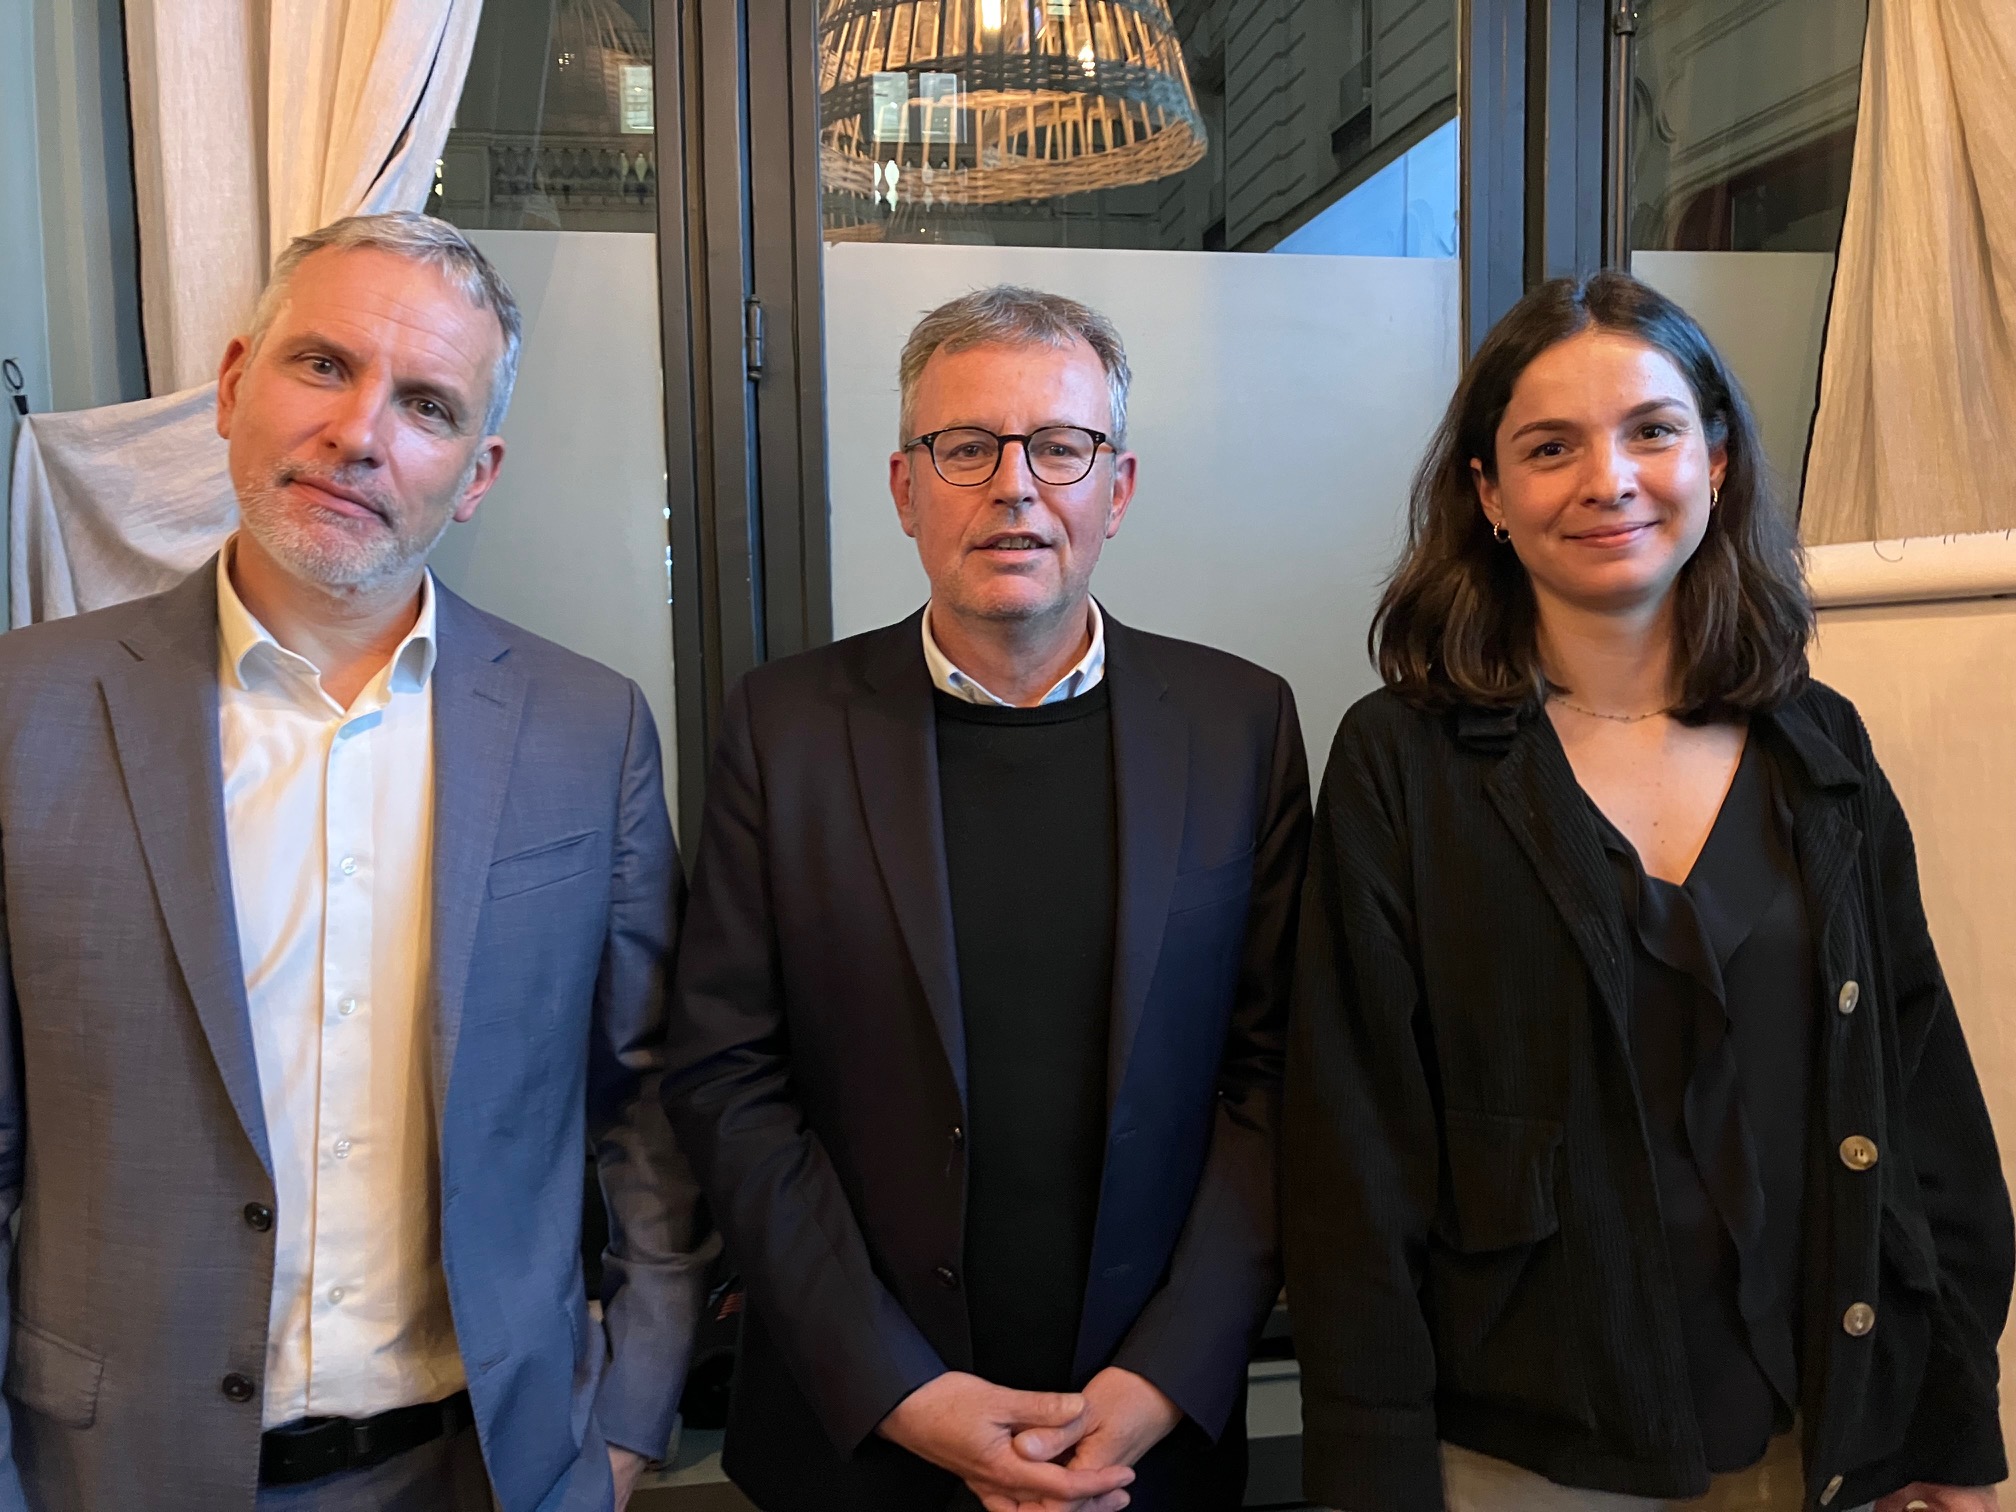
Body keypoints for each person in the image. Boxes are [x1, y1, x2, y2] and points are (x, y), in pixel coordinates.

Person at [0, 212, 712, 1510]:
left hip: (490, 1470)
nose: (360, 431)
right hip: (109, 1475)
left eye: (427, 403)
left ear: (477, 470)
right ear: (232, 387)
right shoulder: (23, 714)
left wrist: (626, 1417)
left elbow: (645, 1108)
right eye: (322, 365)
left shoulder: (586, 730)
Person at [1284, 270, 2013, 1512]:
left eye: (1653, 430)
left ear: (1717, 461)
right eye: (1550, 446)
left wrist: (1944, 1415)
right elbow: (1353, 1159)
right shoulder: (1399, 763)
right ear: (1490, 495)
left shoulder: (1819, 743)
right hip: (1528, 1449)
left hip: (1820, 1426)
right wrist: (1371, 1471)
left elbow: (1920, 1087)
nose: (1607, 479)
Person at [664, 285, 1310, 1512]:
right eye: (967, 448)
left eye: (1059, 447)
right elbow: (727, 1077)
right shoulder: (784, 728)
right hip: (860, 1442)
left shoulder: (1240, 726)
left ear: (1114, 490)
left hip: (1145, 1443)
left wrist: (1164, 1378)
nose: (1015, 485)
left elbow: (1275, 1075)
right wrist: (900, 1390)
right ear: (908, 488)